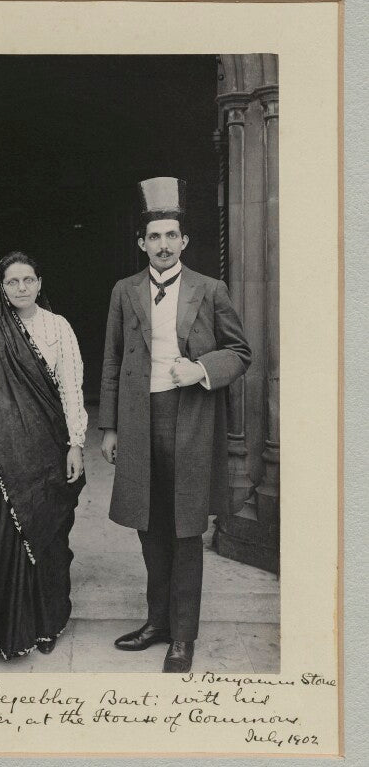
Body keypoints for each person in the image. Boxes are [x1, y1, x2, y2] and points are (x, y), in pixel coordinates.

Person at [99, 177, 251, 672]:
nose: (163, 244)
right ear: (141, 243)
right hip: (139, 420)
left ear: (184, 241)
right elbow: (112, 359)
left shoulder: (210, 289)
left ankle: (182, 636)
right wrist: (110, 427)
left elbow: (240, 352)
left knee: (185, 529)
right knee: (149, 525)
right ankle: (157, 623)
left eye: (171, 235)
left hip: (190, 419)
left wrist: (201, 368)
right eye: (154, 237)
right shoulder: (124, 291)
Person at [0, 251, 87, 660]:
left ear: (40, 284)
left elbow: (71, 388)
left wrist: (75, 442)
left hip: (45, 449)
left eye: (28, 280)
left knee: (45, 537)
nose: (21, 288)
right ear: (2, 287)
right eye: (13, 282)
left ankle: (45, 624)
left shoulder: (58, 328)